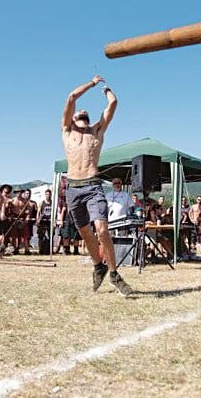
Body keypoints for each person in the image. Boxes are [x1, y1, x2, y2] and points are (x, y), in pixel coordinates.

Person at [61, 75, 131, 295]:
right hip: (72, 187)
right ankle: (97, 266)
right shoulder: (67, 130)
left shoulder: (97, 131)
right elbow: (72, 96)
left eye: (83, 112)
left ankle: (113, 274)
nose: (80, 110)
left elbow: (113, 103)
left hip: (92, 185)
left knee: (102, 230)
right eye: (77, 110)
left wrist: (106, 89)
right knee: (84, 232)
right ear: (73, 116)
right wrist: (91, 84)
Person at [6, 187, 31, 255]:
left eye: (20, 192)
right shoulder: (12, 200)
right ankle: (15, 249)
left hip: (22, 218)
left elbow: (28, 210)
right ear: (15, 193)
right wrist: (8, 205)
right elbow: (8, 209)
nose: (19, 193)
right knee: (14, 235)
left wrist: (27, 216)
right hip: (14, 218)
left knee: (25, 235)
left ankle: (26, 250)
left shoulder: (25, 201)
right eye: (17, 192)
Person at [36, 189, 53, 254]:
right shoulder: (42, 203)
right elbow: (38, 212)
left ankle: (51, 250)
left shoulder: (53, 203)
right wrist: (38, 221)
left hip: (50, 222)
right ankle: (40, 250)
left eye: (49, 194)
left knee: (51, 236)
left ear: (51, 195)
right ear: (45, 195)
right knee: (40, 237)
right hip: (43, 222)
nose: (48, 196)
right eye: (47, 194)